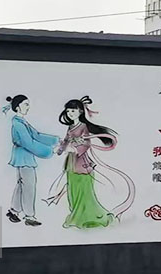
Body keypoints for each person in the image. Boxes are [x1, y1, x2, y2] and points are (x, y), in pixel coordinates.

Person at [45, 96, 134, 229]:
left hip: (81, 162)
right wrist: (60, 149)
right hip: (71, 162)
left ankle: (87, 217)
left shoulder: (83, 126)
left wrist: (74, 149)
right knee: (73, 190)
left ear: (80, 111)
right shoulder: (71, 126)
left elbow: (86, 143)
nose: (70, 114)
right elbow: (66, 140)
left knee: (84, 192)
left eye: (73, 111)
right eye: (68, 111)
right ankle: (77, 215)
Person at [4, 95, 58, 226]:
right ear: (18, 107)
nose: (28, 107)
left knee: (22, 184)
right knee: (29, 186)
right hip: (24, 158)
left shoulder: (21, 122)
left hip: (22, 157)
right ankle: (29, 216)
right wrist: (51, 151)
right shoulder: (18, 123)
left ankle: (14, 210)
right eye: (26, 104)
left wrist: (57, 141)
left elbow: (36, 135)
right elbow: (29, 143)